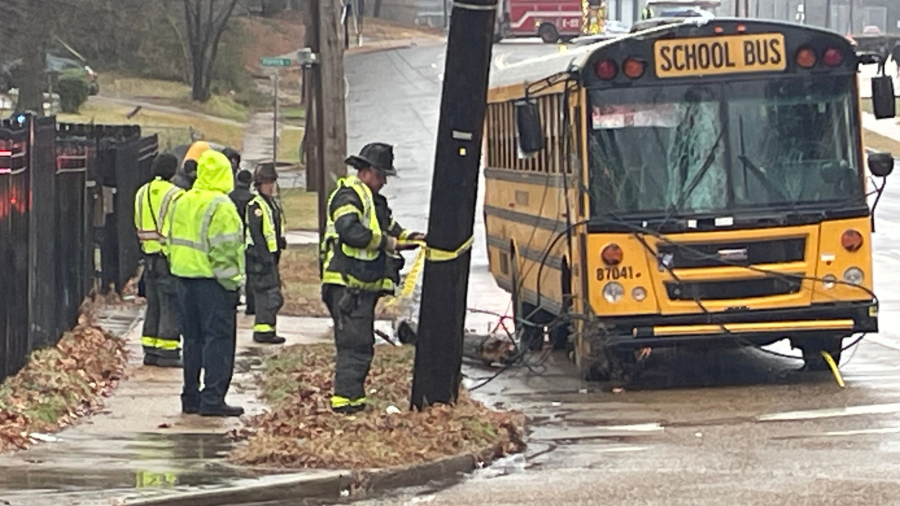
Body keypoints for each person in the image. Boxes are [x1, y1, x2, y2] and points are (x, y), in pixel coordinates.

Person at [320, 143, 424, 414]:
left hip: (359, 287)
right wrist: (390, 244)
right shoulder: (348, 197)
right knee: (354, 345)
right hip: (345, 285)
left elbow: (389, 227)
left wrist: (412, 238)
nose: (384, 181)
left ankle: (353, 400)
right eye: (380, 175)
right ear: (365, 172)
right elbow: (351, 231)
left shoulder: (373, 201)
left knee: (362, 344)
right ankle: (345, 404)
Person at [165, 149, 245, 417]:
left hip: (183, 279)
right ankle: (212, 398)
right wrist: (233, 283)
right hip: (213, 283)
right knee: (218, 341)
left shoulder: (182, 200)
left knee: (192, 340)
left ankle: (190, 397)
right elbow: (225, 251)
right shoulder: (221, 206)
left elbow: (169, 239)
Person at [134, 153, 184, 368]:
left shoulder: (141, 192)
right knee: (170, 304)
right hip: (167, 258)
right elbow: (174, 228)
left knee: (153, 304)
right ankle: (168, 350)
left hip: (148, 257)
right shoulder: (175, 195)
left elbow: (137, 222)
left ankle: (150, 349)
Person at [245, 164, 288, 344]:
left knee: (271, 295)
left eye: (272, 182)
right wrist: (265, 258)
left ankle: (267, 328)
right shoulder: (255, 205)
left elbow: (273, 229)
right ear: (258, 185)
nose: (270, 186)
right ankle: (263, 331)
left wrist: (280, 243)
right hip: (259, 258)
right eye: (266, 183)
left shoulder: (271, 204)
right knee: (269, 295)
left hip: (270, 257)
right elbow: (256, 233)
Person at [229, 169, 256, 315]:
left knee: (232, 270)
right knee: (250, 273)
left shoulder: (229, 197)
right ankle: (251, 305)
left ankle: (233, 299)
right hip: (248, 238)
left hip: (232, 237)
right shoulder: (252, 199)